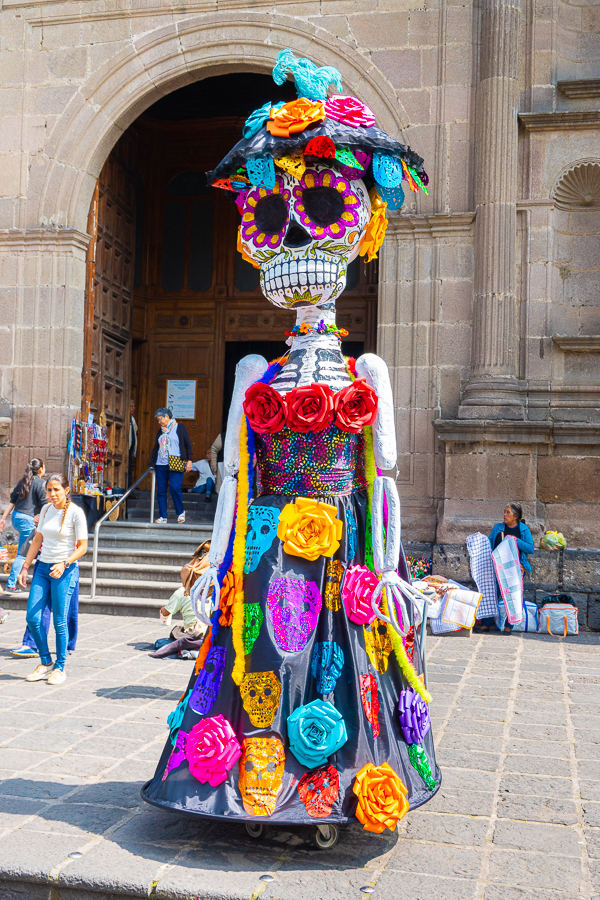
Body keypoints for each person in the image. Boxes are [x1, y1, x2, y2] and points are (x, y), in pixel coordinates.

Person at [143, 55, 438, 832]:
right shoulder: (251, 373)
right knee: (262, 659)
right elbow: (237, 481)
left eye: (316, 209)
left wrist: (394, 567)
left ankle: (340, 782)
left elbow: (383, 481)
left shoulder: (367, 368)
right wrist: (212, 563)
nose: (294, 242)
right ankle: (247, 776)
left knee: (334, 661)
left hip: (345, 549)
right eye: (270, 219)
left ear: (364, 223)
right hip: (267, 544)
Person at [18, 474, 88, 685]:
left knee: (59, 621)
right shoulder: (46, 510)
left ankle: (60, 667)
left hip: (64, 570)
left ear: (66, 490)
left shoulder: (76, 513)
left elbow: (83, 547)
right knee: (32, 617)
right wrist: (25, 565)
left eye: (56, 490)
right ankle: (46, 661)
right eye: (49, 490)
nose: (52, 494)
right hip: (42, 568)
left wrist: (65, 563)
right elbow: (37, 540)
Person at [479, 502, 535, 633]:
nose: (505, 515)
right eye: (504, 512)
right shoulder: (498, 528)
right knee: (492, 593)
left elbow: (530, 548)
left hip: (516, 568)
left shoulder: (523, 529)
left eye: (508, 512)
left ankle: (509, 626)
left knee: (513, 595)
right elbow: (489, 544)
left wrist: (515, 540)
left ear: (516, 516)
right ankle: (486, 623)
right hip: (498, 568)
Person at [0, 458, 47, 595]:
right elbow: (45, 505)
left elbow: (12, 501)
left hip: (16, 517)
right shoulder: (41, 483)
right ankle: (11, 584)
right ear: (41, 469)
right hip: (28, 519)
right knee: (23, 553)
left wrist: (3, 518)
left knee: (27, 547)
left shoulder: (23, 481)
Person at [150, 408, 193, 524]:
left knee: (175, 487)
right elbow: (156, 448)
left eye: (160, 419)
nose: (159, 422)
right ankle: (163, 516)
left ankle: (180, 512)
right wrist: (152, 464)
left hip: (176, 461)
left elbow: (188, 444)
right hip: (161, 463)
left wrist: (190, 460)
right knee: (161, 491)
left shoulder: (180, 428)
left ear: (166, 416)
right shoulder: (161, 431)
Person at [128, 399, 138, 487]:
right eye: (131, 406)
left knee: (129, 469)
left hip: (130, 448)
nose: (133, 408)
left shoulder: (132, 419)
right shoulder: (125, 418)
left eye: (134, 406)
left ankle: (129, 489)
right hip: (125, 448)